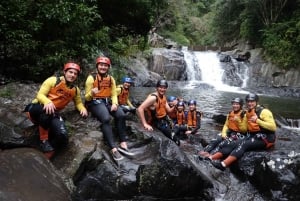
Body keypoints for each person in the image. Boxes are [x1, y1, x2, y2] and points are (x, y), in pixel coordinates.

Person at [24, 62, 88, 159]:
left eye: (75, 74)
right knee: (49, 109)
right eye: (70, 72)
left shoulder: (75, 90)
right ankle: (44, 141)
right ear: (64, 72)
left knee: (63, 135)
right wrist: (47, 102)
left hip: (52, 113)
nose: (72, 75)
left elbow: (78, 103)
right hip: (35, 108)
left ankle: (48, 151)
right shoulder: (53, 80)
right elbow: (40, 95)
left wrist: (82, 108)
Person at [211, 93, 277, 171]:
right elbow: (244, 130)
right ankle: (211, 158)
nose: (250, 103)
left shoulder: (264, 112)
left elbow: (273, 127)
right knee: (233, 142)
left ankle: (223, 164)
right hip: (253, 135)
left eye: (252, 101)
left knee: (244, 144)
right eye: (248, 101)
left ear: (256, 102)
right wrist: (239, 122)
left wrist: (257, 120)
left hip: (267, 138)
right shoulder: (247, 113)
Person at [84, 56, 133, 161]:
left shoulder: (111, 79)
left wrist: (115, 103)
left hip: (107, 101)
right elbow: (86, 97)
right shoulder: (91, 78)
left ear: (108, 67)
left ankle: (123, 142)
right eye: (101, 65)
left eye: (105, 66)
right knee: (106, 118)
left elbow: (114, 94)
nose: (103, 67)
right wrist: (91, 93)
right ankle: (113, 148)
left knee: (121, 114)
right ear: (97, 66)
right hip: (94, 102)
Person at [137, 79, 180, 146]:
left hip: (164, 119)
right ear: (157, 88)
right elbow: (140, 108)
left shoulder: (163, 97)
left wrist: (175, 105)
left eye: (164, 88)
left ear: (166, 88)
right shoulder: (153, 98)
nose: (162, 89)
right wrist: (145, 124)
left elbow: (168, 110)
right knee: (177, 141)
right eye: (160, 87)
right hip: (157, 122)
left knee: (175, 130)